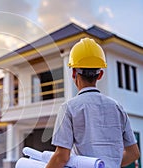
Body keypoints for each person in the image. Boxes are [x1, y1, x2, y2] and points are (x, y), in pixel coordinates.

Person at [45, 38, 140, 168]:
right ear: (100, 74)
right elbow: (133, 153)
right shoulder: (117, 108)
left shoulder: (69, 108)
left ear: (74, 73)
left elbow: (61, 156)